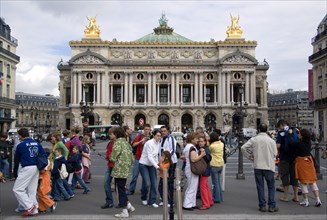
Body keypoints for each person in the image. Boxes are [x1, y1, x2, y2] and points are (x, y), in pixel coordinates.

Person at [241, 123, 279, 212]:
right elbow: (275, 153)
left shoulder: (254, 139)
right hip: (269, 166)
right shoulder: (271, 141)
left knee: (260, 186)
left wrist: (249, 156)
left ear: (258, 130)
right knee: (271, 187)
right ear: (267, 130)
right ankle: (271, 205)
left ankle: (262, 205)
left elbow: (243, 147)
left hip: (258, 165)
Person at [13, 128, 47, 217]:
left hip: (27, 167)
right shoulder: (37, 143)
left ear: (20, 136)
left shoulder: (20, 145)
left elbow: (16, 160)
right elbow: (43, 155)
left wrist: (15, 172)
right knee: (32, 190)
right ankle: (34, 210)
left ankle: (29, 206)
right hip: (36, 167)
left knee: (17, 189)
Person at [288, 128, 322, 207]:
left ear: (302, 136)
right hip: (309, 162)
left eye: (299, 134)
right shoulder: (309, 143)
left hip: (302, 163)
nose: (298, 135)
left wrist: (290, 134)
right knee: (312, 182)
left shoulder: (299, 144)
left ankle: (306, 201)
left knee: (303, 182)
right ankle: (318, 200)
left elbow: (291, 143)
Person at [110, 127, 135, 218]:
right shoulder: (126, 143)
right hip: (126, 169)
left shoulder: (118, 143)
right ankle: (128, 206)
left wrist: (112, 159)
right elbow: (132, 157)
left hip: (119, 169)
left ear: (116, 134)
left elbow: (113, 157)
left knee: (120, 190)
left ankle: (124, 210)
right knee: (122, 188)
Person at [276, 119, 299, 202]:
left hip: (284, 158)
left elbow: (278, 146)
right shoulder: (295, 130)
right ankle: (296, 196)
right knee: (294, 177)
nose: (279, 128)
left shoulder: (281, 133)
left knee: (285, 176)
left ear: (282, 125)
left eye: (279, 127)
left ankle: (285, 196)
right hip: (294, 158)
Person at [182, 132, 205, 211]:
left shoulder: (188, 146)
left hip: (189, 167)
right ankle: (187, 204)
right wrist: (201, 155)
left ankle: (192, 203)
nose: (197, 140)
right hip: (192, 168)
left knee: (193, 186)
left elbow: (184, 157)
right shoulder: (192, 147)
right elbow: (193, 159)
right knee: (192, 187)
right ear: (192, 139)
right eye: (196, 139)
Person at [127, 124, 151, 195]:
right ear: (143, 130)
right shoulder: (139, 136)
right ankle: (131, 190)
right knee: (135, 176)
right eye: (145, 129)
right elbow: (133, 145)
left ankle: (143, 189)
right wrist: (141, 140)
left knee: (145, 177)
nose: (147, 131)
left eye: (148, 129)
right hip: (138, 158)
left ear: (150, 130)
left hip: (146, 160)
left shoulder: (151, 138)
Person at [139, 130, 161, 208]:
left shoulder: (158, 143)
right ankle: (143, 197)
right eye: (158, 135)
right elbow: (150, 156)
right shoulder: (149, 143)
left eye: (160, 136)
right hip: (143, 164)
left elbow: (156, 155)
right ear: (154, 135)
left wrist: (158, 163)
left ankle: (152, 201)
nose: (159, 137)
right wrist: (157, 166)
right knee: (147, 183)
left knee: (154, 183)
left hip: (152, 165)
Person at [37, 148, 57, 214]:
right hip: (44, 177)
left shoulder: (45, 161)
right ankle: (42, 208)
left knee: (41, 193)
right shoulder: (47, 160)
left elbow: (43, 170)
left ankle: (51, 203)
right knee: (41, 193)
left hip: (44, 177)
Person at [101, 127, 115, 209]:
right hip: (110, 165)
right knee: (107, 184)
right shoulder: (110, 143)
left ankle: (124, 203)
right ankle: (109, 201)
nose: (109, 135)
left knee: (117, 186)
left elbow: (112, 155)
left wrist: (109, 157)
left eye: (111, 134)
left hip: (114, 166)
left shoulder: (116, 143)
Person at [198, 136, 213, 210]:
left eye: (201, 141)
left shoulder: (205, 149)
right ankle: (210, 201)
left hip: (204, 170)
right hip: (205, 169)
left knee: (202, 187)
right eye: (199, 141)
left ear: (204, 142)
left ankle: (206, 204)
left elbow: (208, 158)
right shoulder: (205, 148)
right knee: (206, 186)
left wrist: (202, 154)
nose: (200, 143)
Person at [209, 131, 224, 204]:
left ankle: (216, 198)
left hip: (214, 164)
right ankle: (220, 197)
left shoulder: (212, 146)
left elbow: (209, 149)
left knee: (215, 183)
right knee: (218, 182)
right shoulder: (221, 144)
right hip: (220, 164)